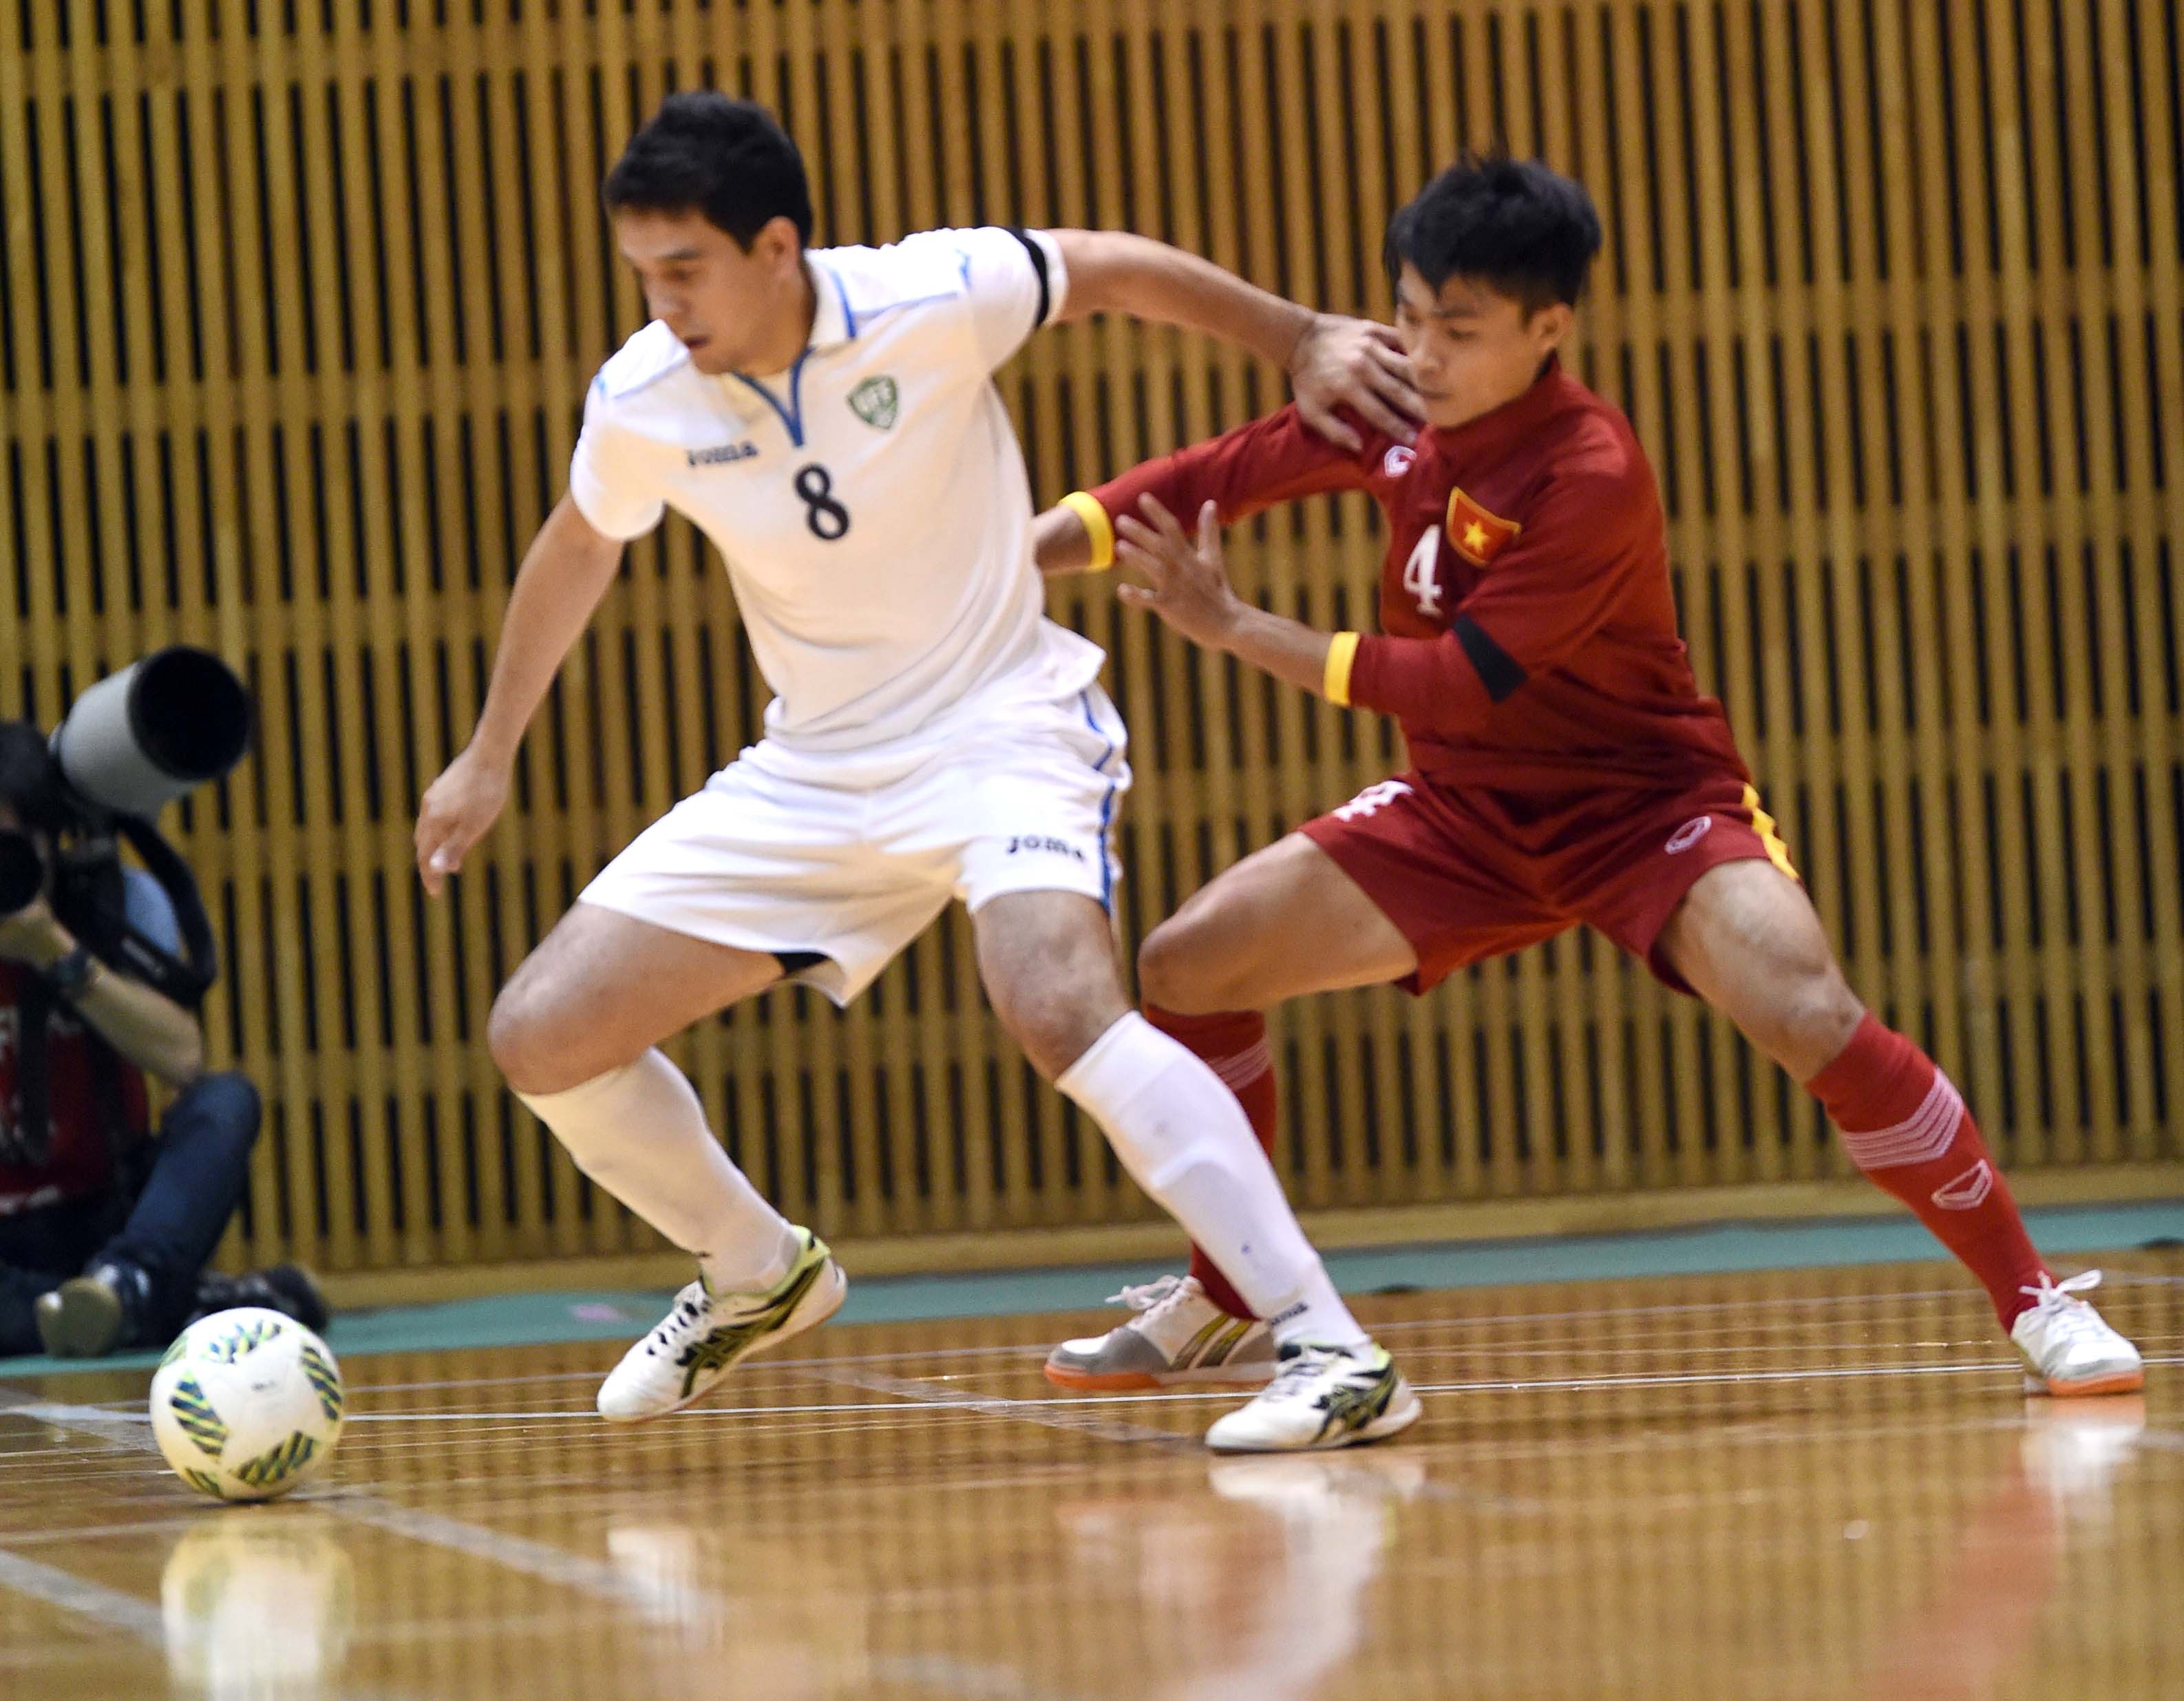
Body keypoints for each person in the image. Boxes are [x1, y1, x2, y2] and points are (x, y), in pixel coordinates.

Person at [1033, 155, 2143, 1404]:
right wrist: (1019, 561)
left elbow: (1458, 682)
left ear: (1547, 329)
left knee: (1809, 1013)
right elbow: (1198, 484)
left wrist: (1238, 630)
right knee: (1188, 964)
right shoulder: (1393, 404)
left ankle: (2033, 1298)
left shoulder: (1588, 472)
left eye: (1458, 329)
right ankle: (1230, 1291)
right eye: (1404, 313)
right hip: (1462, 816)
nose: (1419, 352)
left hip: (1644, 810)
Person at [413, 92, 1429, 1451]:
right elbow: (577, 546)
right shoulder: (643, 395)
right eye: (641, 275)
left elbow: (1111, 268)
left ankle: (1328, 1343)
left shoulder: (928, 294)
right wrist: (489, 752)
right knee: (541, 1031)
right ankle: (751, 1266)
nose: (660, 305)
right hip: (814, 770)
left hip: (997, 726)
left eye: (682, 270)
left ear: (775, 247)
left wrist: (1292, 335)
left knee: (1056, 1001)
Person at [0, 723, 325, 1358]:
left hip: (106, 1214)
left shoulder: (113, 904)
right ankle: (149, 1302)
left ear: (51, 841)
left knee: (226, 1101)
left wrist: (56, 951)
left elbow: (182, 1057)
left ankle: (119, 1286)